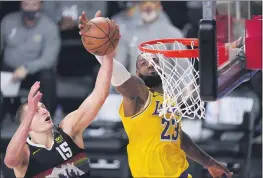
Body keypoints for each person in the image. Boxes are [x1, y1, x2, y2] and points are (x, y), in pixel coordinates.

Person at [79, 11, 233, 178]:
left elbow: (179, 138)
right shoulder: (138, 94)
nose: (150, 64)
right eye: (144, 62)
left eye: (155, 61)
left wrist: (209, 162)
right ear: (137, 73)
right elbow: (120, 77)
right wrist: (101, 53)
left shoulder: (170, 101)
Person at [4, 18, 116, 177]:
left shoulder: (69, 129)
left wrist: (108, 55)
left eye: (42, 107)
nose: (43, 111)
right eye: (36, 111)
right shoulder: (25, 153)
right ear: (26, 124)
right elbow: (10, 161)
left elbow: (99, 95)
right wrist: (29, 114)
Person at [1, 0, 60, 115]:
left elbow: (49, 59)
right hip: (9, 71)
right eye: (26, 4)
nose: (30, 9)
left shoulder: (49, 26)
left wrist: (27, 68)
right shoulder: (8, 21)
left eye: (34, 5)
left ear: (41, 5)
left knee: (48, 76)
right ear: (20, 5)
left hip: (34, 73)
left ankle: (48, 117)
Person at [114, 1, 180, 74]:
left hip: (165, 82)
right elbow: (118, 64)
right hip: (137, 83)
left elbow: (182, 65)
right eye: (143, 2)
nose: (148, 5)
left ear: (159, 5)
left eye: (152, 1)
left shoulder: (171, 31)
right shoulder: (126, 31)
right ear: (138, 6)